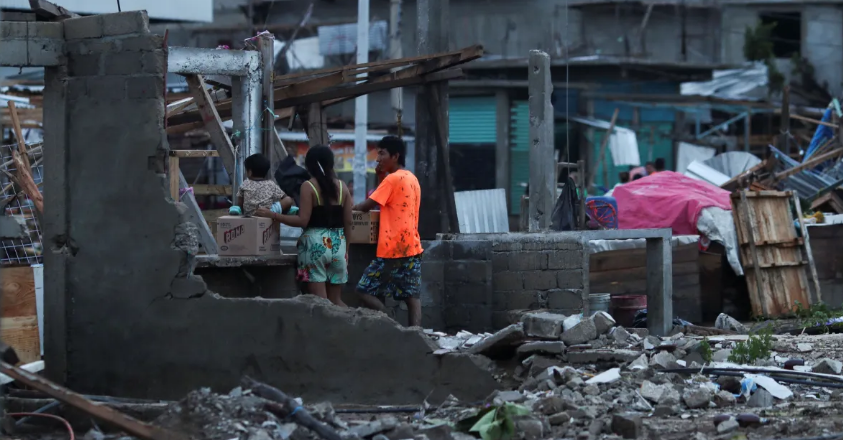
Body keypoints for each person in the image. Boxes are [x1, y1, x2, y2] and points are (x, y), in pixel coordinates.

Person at [256, 146, 352, 307]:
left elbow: (302, 221)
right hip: (339, 245)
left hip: (314, 246)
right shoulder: (342, 187)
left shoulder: (309, 186)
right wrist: (346, 250)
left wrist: (273, 215)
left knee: (321, 304)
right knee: (336, 301)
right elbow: (349, 222)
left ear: (309, 165)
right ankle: (352, 328)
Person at [352, 136, 424, 327]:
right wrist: (380, 177)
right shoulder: (411, 178)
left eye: (382, 153)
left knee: (363, 290)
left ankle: (389, 320)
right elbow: (391, 200)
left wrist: (350, 209)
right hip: (411, 246)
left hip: (392, 247)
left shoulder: (392, 179)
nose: (378, 159)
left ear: (395, 156)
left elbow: (367, 205)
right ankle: (416, 334)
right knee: (411, 296)